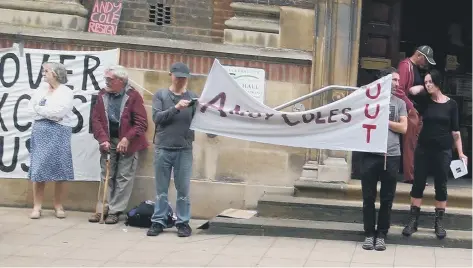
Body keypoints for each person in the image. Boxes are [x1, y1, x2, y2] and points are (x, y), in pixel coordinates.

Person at [402, 70, 467, 239]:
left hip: (443, 150)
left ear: (438, 83)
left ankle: (438, 223)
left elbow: (455, 131)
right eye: (426, 82)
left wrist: (460, 153)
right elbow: (411, 91)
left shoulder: (451, 104)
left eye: (431, 81)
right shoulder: (425, 101)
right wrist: (424, 87)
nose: (428, 84)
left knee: (441, 185)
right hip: (423, 149)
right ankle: (413, 221)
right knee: (418, 183)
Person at [89, 65, 148, 224]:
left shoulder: (133, 96)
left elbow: (141, 123)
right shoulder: (102, 95)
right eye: (106, 78)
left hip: (128, 143)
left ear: (121, 81)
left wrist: (126, 139)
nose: (106, 82)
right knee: (106, 175)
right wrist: (103, 139)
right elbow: (96, 120)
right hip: (108, 140)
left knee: (123, 176)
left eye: (110, 79)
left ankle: (115, 211)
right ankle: (103, 209)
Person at [147, 62, 198, 237]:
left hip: (184, 149)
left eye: (184, 77)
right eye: (178, 77)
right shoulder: (161, 95)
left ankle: (182, 222)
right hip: (163, 148)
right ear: (171, 75)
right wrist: (176, 108)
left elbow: (201, 119)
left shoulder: (193, 97)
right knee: (161, 189)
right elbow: (157, 118)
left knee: (183, 189)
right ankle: (158, 221)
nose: (180, 80)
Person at [361, 68, 408, 251]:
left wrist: (384, 121)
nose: (398, 83)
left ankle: (381, 234)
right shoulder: (370, 100)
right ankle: (369, 234)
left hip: (392, 155)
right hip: (370, 155)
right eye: (394, 80)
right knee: (368, 197)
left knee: (387, 199)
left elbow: (403, 128)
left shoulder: (400, 103)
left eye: (398, 80)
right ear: (385, 81)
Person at [28, 62, 75, 219]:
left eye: (46, 70)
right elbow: (31, 108)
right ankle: (37, 206)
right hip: (41, 131)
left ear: (55, 73)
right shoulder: (40, 90)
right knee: (39, 168)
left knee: (59, 168)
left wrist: (40, 110)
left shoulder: (66, 92)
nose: (43, 73)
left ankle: (58, 205)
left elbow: (59, 113)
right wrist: (44, 111)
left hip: (60, 131)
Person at [395, 45, 436, 184]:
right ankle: (411, 176)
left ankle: (413, 175)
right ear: (419, 56)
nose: (425, 63)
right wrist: (410, 107)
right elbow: (399, 90)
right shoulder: (405, 66)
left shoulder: (414, 68)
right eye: (425, 60)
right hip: (410, 110)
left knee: (414, 144)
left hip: (415, 110)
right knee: (411, 144)